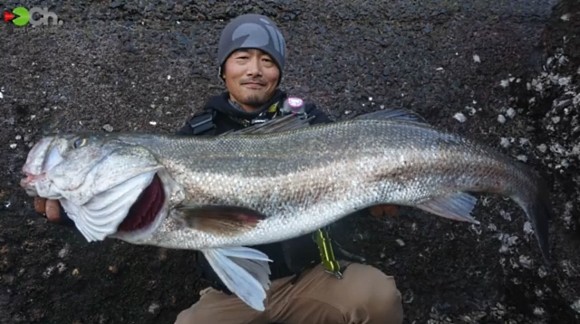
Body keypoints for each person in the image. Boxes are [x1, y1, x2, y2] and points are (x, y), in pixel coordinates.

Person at [35, 14, 403, 324]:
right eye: (242, 57)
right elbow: (143, 209)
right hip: (231, 294)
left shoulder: (311, 121)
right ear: (224, 68)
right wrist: (77, 211)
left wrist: (380, 195)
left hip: (315, 277)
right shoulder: (196, 135)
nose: (255, 70)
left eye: (267, 61)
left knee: (378, 299)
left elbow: (356, 174)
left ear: (278, 72)